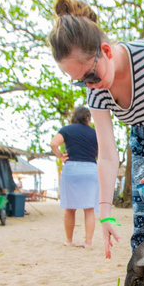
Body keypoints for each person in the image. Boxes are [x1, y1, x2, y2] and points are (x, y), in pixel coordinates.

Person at [49, 0, 144, 259]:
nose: (90, 86)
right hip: (143, 137)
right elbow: (107, 156)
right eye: (80, 82)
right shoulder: (97, 93)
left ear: (106, 51)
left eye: (91, 76)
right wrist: (105, 214)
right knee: (143, 224)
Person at [50, 105, 99, 248]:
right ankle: (88, 242)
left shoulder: (67, 130)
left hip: (72, 169)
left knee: (70, 208)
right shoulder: (95, 133)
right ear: (88, 118)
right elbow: (99, 153)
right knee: (89, 209)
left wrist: (60, 156)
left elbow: (53, 144)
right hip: (90, 169)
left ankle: (69, 241)